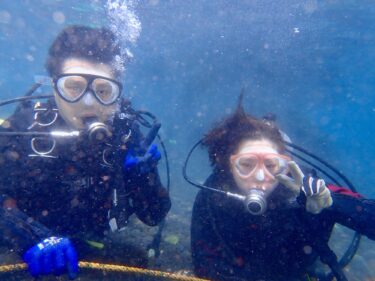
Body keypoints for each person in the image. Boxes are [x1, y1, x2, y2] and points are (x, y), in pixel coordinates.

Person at [0, 25, 171, 279]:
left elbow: (154, 215)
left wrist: (142, 178)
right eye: (74, 87)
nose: (88, 102)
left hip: (90, 242)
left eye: (103, 90)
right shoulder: (23, 129)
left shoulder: (126, 135)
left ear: (116, 94)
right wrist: (28, 236)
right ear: (54, 86)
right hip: (29, 248)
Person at [190, 99, 375, 281]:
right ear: (230, 166)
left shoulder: (308, 190)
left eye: (271, 165)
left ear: (286, 166)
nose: (260, 176)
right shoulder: (213, 195)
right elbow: (204, 262)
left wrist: (333, 203)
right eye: (246, 164)